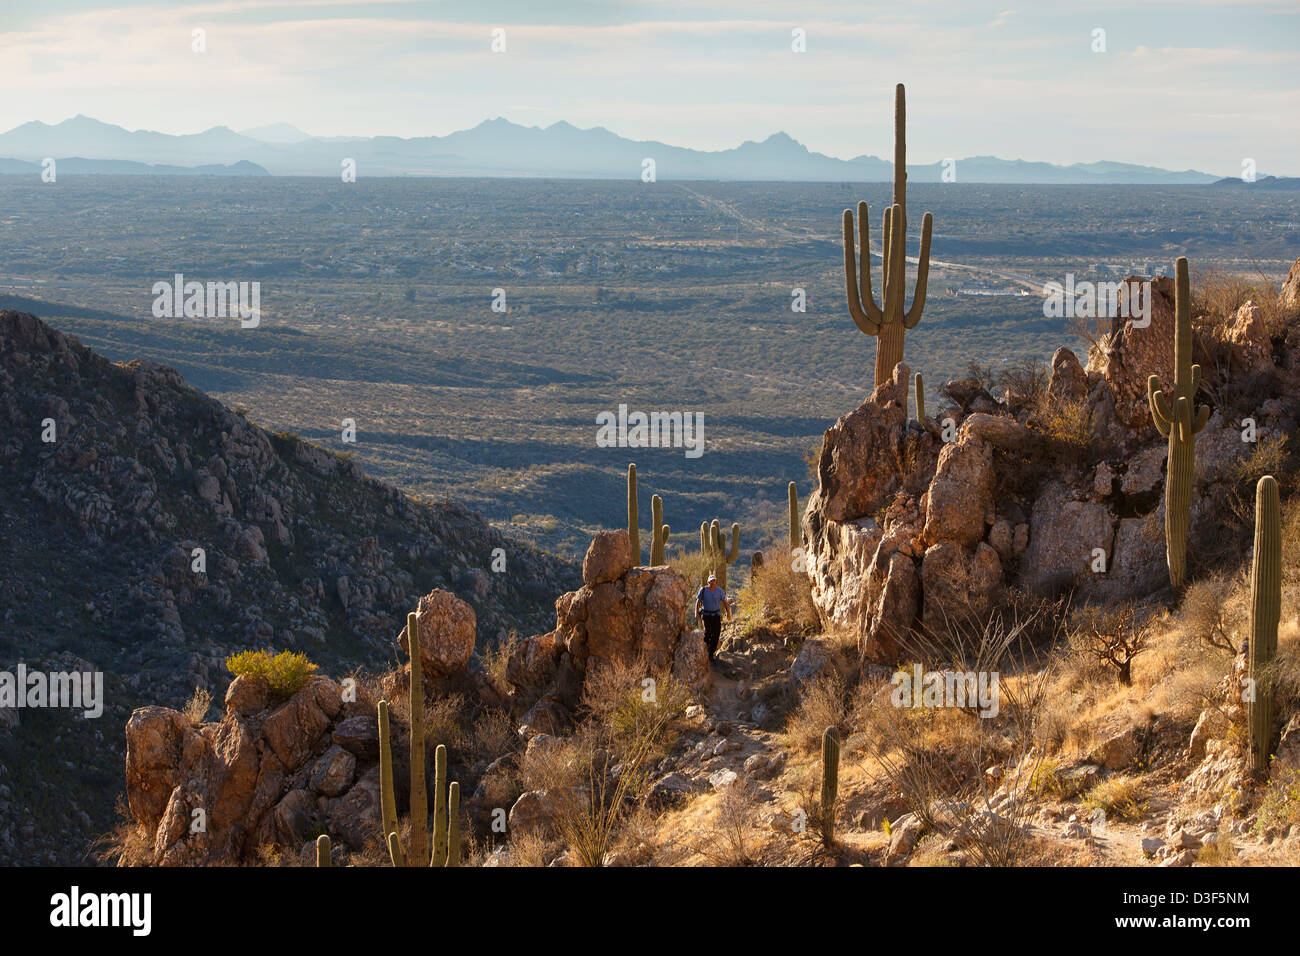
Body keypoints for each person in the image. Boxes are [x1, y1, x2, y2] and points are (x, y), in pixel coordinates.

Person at [695, 573, 732, 660]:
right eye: (711, 581)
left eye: (714, 581)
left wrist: (728, 613)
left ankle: (711, 654)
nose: (712, 583)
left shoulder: (720, 591)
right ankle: (705, 649)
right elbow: (698, 602)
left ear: (716, 582)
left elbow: (725, 602)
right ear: (708, 582)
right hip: (706, 614)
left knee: (716, 634)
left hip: (716, 615)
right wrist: (696, 613)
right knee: (707, 632)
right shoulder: (703, 590)